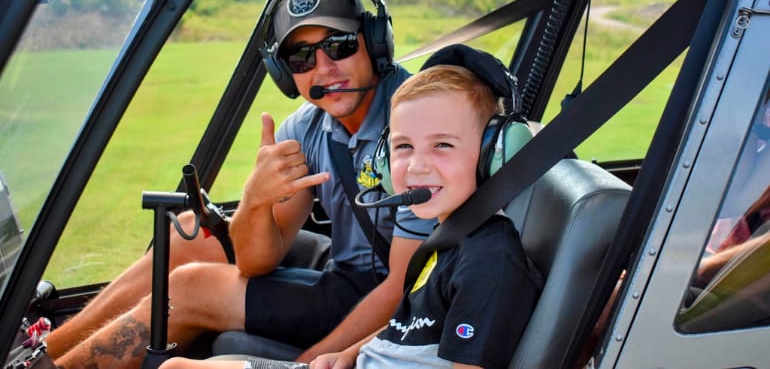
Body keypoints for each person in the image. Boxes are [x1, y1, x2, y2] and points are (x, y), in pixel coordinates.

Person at [52, 0, 433, 368]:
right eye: (300, 57)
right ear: (284, 73)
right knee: (189, 235)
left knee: (189, 289)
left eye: (337, 46)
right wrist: (256, 199)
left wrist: (301, 365)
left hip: (394, 291)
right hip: (343, 269)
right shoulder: (303, 130)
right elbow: (255, 262)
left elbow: (403, 289)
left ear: (374, 42)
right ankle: (41, 354)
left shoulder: (415, 123)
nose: (323, 69)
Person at [158, 46, 542, 369]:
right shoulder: (450, 241)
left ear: (496, 153)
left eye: (443, 145)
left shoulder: (491, 260)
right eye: (404, 147)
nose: (417, 166)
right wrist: (347, 354)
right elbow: (413, 322)